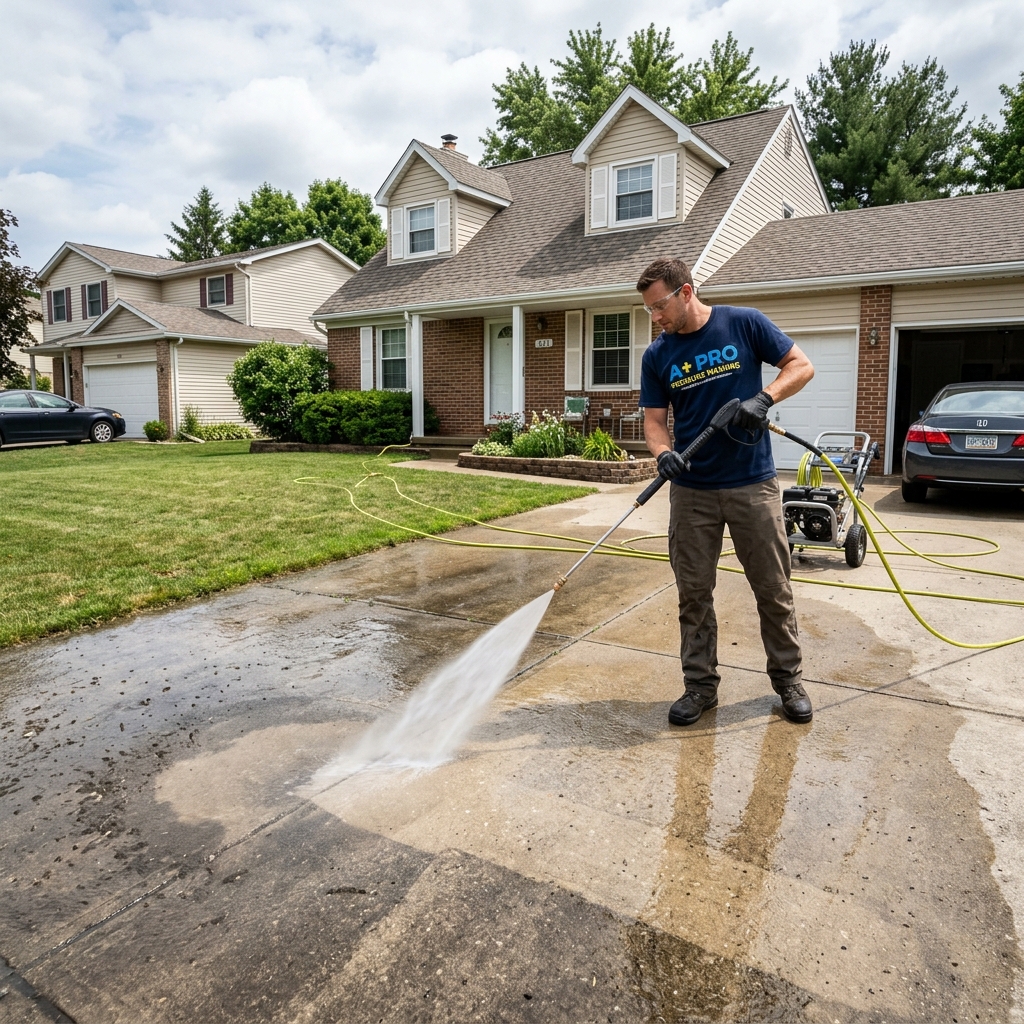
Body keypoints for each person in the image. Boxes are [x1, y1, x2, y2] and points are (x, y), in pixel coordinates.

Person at [636, 256, 815, 726]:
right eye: (649, 311)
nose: (655, 318)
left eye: (659, 307)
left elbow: (801, 365)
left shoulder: (744, 324)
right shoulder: (657, 355)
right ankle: (699, 688)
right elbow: (655, 424)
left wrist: (765, 397)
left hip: (751, 484)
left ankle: (788, 680)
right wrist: (662, 455)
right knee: (694, 594)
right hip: (691, 490)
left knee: (773, 588)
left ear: (686, 292)